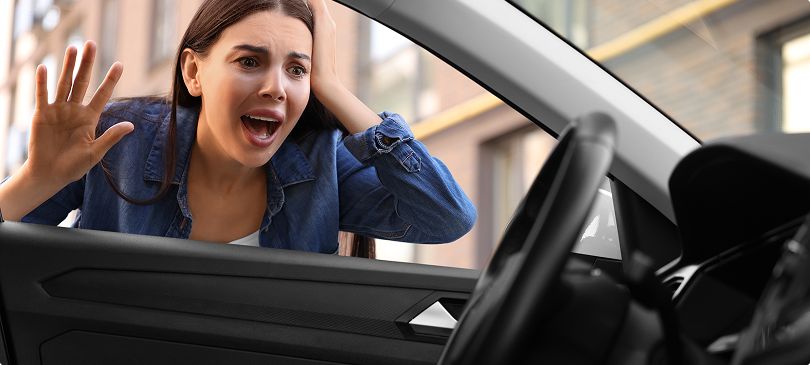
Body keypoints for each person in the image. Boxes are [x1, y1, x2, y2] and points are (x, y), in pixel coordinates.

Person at [0, 0, 476, 254]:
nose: (276, 87)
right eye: (250, 60)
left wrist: (331, 85)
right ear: (193, 72)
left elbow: (447, 218)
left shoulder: (324, 162)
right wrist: (36, 181)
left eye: (297, 70)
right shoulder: (118, 140)